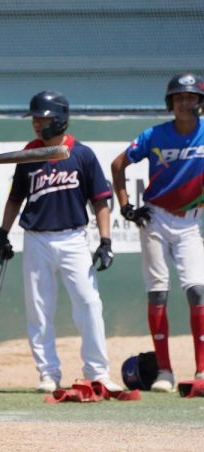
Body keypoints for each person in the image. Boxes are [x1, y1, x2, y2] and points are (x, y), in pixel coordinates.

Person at [0, 90, 123, 393]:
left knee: (89, 303)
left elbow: (101, 200)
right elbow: (15, 199)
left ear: (61, 119)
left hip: (74, 238)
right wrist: (3, 233)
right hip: (37, 239)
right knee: (38, 309)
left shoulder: (82, 154)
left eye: (44, 119)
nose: (38, 125)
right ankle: (48, 373)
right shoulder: (29, 154)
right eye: (35, 120)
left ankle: (98, 372)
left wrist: (105, 241)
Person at [110, 73, 204, 392]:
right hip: (155, 218)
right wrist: (125, 206)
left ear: (199, 102)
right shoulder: (153, 135)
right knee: (157, 291)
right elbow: (117, 164)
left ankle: (202, 369)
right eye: (178, 98)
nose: (184, 103)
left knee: (197, 290)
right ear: (170, 103)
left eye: (190, 97)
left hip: (190, 221)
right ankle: (164, 372)